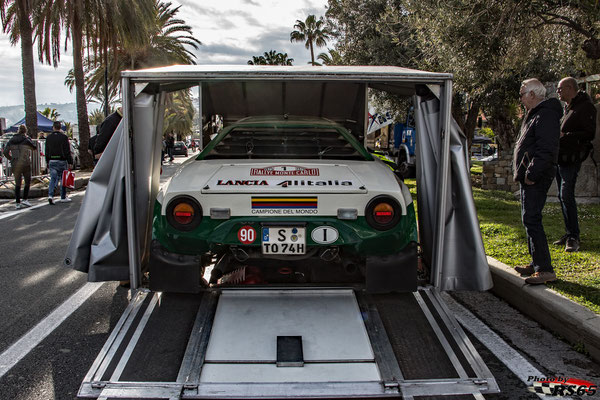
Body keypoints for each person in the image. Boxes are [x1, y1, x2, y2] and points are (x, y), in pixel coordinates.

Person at [512, 78, 562, 285]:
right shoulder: (536, 114)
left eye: (522, 94)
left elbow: (546, 149)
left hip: (536, 177)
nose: (521, 98)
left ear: (533, 94)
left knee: (532, 218)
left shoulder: (546, 114)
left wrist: (531, 174)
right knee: (529, 219)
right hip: (529, 176)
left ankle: (545, 269)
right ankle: (537, 262)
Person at [553, 77, 597, 252]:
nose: (558, 92)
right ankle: (568, 232)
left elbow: (589, 133)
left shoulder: (585, 107)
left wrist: (566, 136)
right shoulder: (567, 108)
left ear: (570, 88)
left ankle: (574, 236)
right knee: (562, 196)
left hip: (572, 158)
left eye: (560, 89)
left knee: (567, 195)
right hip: (560, 157)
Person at [2, 125, 36, 209]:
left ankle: (17, 202)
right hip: (25, 163)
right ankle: (25, 199)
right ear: (25, 131)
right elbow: (34, 148)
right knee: (27, 181)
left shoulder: (11, 140)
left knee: (17, 183)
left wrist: (11, 159)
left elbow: (5, 152)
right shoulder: (26, 139)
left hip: (15, 163)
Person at [45, 121, 73, 204]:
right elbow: (67, 150)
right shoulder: (64, 137)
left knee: (53, 179)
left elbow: (47, 150)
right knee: (62, 178)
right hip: (62, 160)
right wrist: (70, 161)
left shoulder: (49, 137)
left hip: (52, 160)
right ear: (60, 127)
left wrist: (47, 161)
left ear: (53, 127)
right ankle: (63, 196)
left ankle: (50, 195)